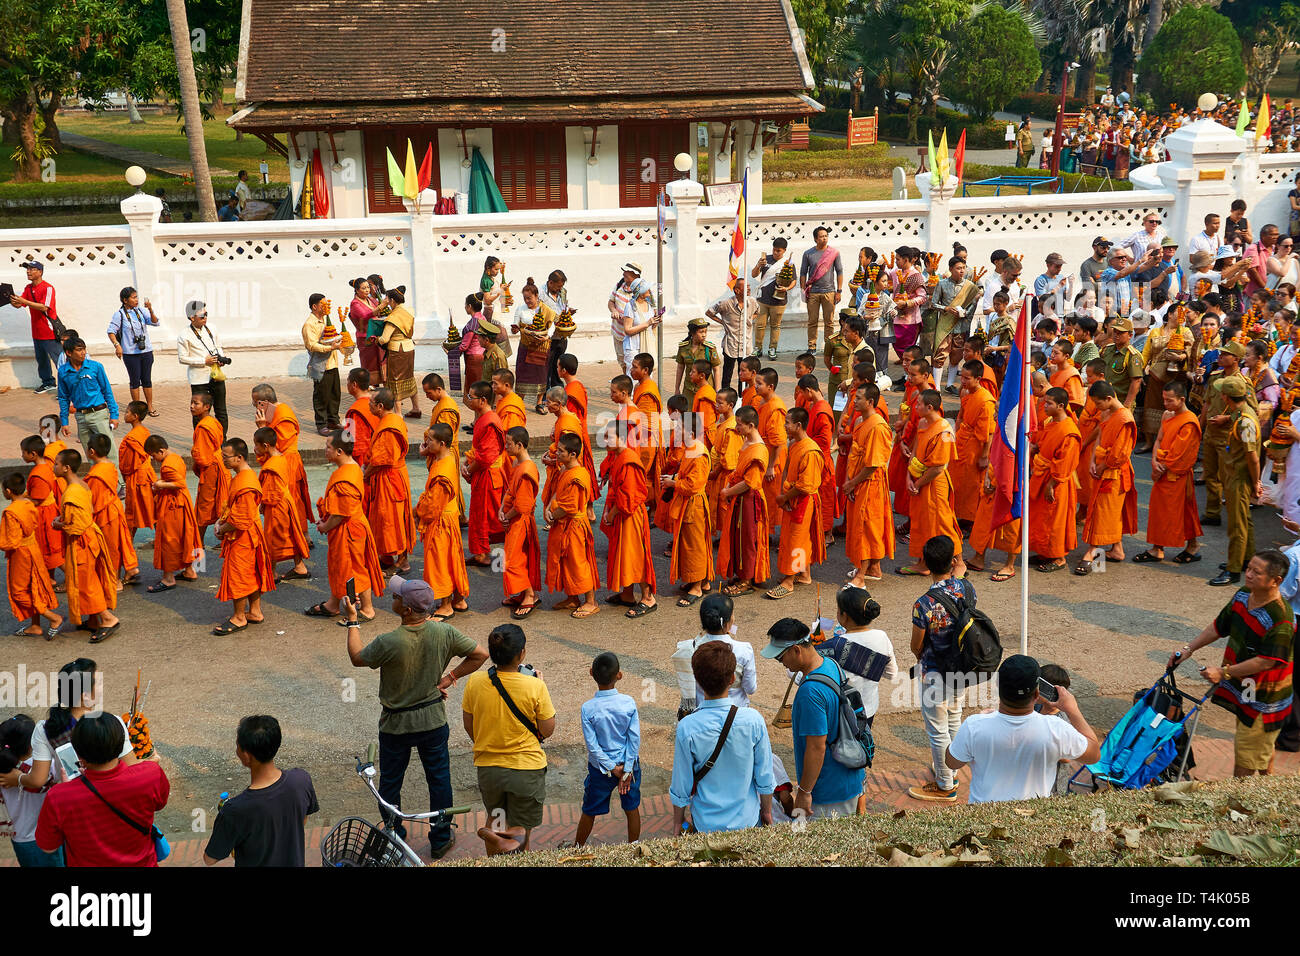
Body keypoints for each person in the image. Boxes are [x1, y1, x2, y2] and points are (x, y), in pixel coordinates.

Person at [346, 575, 486, 857]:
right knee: (439, 779)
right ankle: (440, 838)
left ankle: (395, 835)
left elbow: (357, 657)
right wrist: (450, 677)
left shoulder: (389, 641)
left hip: (395, 726)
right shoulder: (443, 632)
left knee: (390, 784)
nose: (393, 598)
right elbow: (480, 654)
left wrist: (352, 621)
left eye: (397, 598)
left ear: (407, 610)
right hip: (433, 720)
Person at [1172, 549, 1295, 775]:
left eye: (1256, 572)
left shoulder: (1281, 618)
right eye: (1248, 568)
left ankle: (1242, 805)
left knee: (1246, 756)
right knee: (1260, 748)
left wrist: (1223, 672)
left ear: (1276, 581)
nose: (1247, 574)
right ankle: (1268, 787)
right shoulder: (1242, 595)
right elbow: (1218, 626)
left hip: (1265, 699)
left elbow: (1265, 662)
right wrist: (1188, 649)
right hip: (1247, 689)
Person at [945, 655, 1099, 804]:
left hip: (984, 817)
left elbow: (951, 762)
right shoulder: (1055, 728)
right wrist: (1073, 709)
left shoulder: (974, 725)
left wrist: (975, 728)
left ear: (998, 685)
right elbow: (1094, 755)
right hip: (1031, 818)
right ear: (1037, 693)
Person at [462, 624, 555, 854]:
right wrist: (540, 684)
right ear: (521, 654)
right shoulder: (535, 685)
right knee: (520, 830)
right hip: (526, 771)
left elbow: (469, 726)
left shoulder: (474, 681)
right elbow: (548, 729)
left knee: (497, 822)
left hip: (489, 769)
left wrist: (489, 742)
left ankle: (495, 858)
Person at [34, 713, 169, 867]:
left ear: (78, 754)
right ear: (121, 744)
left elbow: (48, 847)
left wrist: (67, 790)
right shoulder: (151, 774)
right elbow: (159, 803)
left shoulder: (58, 797)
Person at [761, 617, 864, 819]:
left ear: (796, 650)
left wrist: (805, 792)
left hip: (827, 791)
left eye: (780, 657)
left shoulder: (810, 692)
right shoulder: (830, 664)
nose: (780, 663)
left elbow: (817, 746)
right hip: (848, 777)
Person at [670, 641, 774, 833]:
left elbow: (681, 785)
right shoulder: (753, 720)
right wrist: (766, 812)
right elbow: (765, 777)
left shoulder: (687, 727)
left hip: (705, 823)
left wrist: (679, 822)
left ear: (697, 680)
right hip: (748, 820)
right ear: (732, 679)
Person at [905, 534, 977, 803]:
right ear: (954, 561)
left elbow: (916, 645)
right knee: (954, 716)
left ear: (925, 563)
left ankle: (945, 784)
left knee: (937, 728)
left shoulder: (923, 604)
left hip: (935, 672)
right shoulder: (967, 589)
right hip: (963, 667)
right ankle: (952, 769)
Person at [202, 715, 319, 867]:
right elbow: (302, 820)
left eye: (237, 745)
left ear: (246, 755)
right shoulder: (301, 780)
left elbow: (209, 859)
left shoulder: (234, 810)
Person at [306, 430, 384, 620]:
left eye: (328, 447)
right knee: (340, 566)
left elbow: (342, 513)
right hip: (346, 527)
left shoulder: (347, 475)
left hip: (349, 529)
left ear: (339, 451)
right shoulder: (351, 468)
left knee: (355, 568)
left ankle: (367, 609)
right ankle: (333, 604)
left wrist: (325, 526)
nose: (325, 450)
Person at [52, 449, 120, 642]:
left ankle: (108, 618)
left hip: (81, 542)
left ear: (66, 468)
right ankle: (93, 620)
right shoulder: (81, 484)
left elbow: (75, 526)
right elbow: (86, 512)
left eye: (56, 463)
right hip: (91, 536)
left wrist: (57, 524)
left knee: (86, 582)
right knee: (91, 578)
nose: (53, 466)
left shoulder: (71, 492)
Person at [574, 652, 641, 846]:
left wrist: (613, 768)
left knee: (589, 810)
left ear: (590, 673)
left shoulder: (588, 708)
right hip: (628, 766)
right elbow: (634, 738)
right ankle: (633, 847)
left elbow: (592, 747)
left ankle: (577, 847)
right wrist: (627, 770)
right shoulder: (628, 702)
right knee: (631, 807)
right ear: (619, 675)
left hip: (601, 770)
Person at [899, 390, 966, 577]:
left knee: (942, 522)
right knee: (921, 522)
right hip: (918, 479)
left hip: (935, 483)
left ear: (930, 407)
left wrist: (918, 483)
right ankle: (923, 563)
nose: (915, 406)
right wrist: (908, 477)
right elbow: (915, 451)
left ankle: (959, 562)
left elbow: (937, 467)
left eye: (919, 403)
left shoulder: (944, 431)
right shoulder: (922, 423)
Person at [212, 438, 276, 635]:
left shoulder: (246, 482)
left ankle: (239, 617)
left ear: (239, 458)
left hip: (244, 536)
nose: (223, 460)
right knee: (252, 572)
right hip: (248, 532)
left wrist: (222, 529)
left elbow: (241, 519)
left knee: (239, 575)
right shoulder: (242, 476)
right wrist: (221, 521)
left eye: (226, 457)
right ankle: (255, 611)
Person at [1135, 381, 1203, 564]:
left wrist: (1160, 468)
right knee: (1159, 511)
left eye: (1170, 401)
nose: (1166, 404)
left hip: (1176, 474)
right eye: (1164, 400)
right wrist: (1154, 460)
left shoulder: (1189, 422)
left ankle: (1193, 545)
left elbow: (1179, 453)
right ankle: (1157, 548)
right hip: (1162, 469)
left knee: (1183, 512)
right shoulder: (1167, 414)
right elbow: (1159, 439)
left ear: (1182, 399)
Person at [1076, 381, 1138, 572]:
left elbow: (1120, 454)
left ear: (1109, 398)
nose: (1096, 407)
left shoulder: (1125, 419)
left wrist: (1102, 466)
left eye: (1098, 403)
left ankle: (1092, 551)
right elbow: (1100, 439)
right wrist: (1093, 461)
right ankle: (1117, 549)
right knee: (1108, 511)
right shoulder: (1106, 413)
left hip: (1114, 472)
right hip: (1102, 467)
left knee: (1101, 511)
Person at [600, 420, 657, 618]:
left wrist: (612, 513)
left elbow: (629, 496)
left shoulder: (629, 460)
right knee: (624, 554)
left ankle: (648, 598)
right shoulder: (619, 456)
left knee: (636, 556)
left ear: (622, 438)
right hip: (622, 512)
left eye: (609, 437)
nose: (605, 440)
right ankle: (626, 594)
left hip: (630, 514)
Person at [415, 423, 470, 624]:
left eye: (430, 440)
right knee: (451, 558)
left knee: (440, 563)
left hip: (441, 522)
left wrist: (417, 512)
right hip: (449, 517)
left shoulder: (443, 474)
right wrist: (427, 451)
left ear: (442, 443)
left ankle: (446, 606)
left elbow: (432, 507)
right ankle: (458, 599)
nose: (426, 442)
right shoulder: (447, 456)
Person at [1209, 377, 1260, 587]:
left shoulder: (1245, 421)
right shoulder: (1240, 413)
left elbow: (1253, 458)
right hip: (1234, 474)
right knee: (1244, 521)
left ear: (1226, 397)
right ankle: (1246, 559)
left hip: (1239, 477)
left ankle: (1234, 569)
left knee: (1236, 526)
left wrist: (1256, 483)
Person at [0, 473, 61, 639]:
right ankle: (35, 626)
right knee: (33, 586)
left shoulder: (11, 512)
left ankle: (53, 617)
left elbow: (11, 541)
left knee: (19, 592)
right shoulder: (28, 504)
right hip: (33, 548)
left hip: (20, 553)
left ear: (8, 491)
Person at [844, 384, 894, 585]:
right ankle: (873, 568)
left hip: (869, 483)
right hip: (857, 480)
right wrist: (850, 481)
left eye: (858, 399)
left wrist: (852, 484)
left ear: (870, 402)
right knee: (863, 526)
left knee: (866, 527)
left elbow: (873, 465)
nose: (854, 402)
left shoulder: (878, 427)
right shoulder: (860, 421)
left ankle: (861, 576)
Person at [718, 406, 771, 596]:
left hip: (749, 501)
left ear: (751, 425)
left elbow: (750, 483)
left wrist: (727, 491)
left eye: (739, 425)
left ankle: (747, 579)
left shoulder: (758, 451)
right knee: (737, 537)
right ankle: (742, 574)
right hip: (739, 498)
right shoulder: (747, 441)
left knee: (747, 539)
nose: (737, 428)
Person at [545, 432, 600, 618]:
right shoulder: (565, 469)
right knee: (566, 562)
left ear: (573, 455)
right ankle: (573, 598)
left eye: (561, 451)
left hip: (574, 525)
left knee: (578, 564)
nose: (557, 454)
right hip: (562, 523)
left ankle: (591, 602)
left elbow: (569, 507)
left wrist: (552, 515)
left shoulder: (578, 476)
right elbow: (556, 492)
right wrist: (548, 508)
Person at [1028, 387, 1082, 573]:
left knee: (1055, 520)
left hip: (1057, 482)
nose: (1045, 407)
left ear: (1060, 406)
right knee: (1042, 518)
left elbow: (1065, 462)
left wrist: (1051, 484)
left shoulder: (1069, 432)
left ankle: (1059, 558)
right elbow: (1045, 444)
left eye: (1049, 403)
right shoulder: (1052, 423)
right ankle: (1045, 552)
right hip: (1042, 476)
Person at [665, 412, 714, 606]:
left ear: (691, 432)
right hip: (688, 502)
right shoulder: (690, 448)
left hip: (694, 503)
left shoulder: (699, 452)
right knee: (689, 543)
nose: (676, 431)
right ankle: (701, 581)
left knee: (695, 546)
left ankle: (697, 587)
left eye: (680, 429)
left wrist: (673, 484)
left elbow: (693, 485)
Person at [0, 714, 62, 866]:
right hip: (49, 836)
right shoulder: (48, 767)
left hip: (21, 839)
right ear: (33, 743)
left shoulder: (3, 768)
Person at [365, 388, 415, 573]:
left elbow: (382, 460)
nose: (368, 405)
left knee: (393, 520)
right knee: (383, 519)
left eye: (371, 403)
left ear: (379, 406)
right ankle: (386, 555)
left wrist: (365, 474)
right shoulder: (390, 420)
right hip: (387, 478)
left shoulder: (389, 427)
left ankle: (403, 561)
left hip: (390, 479)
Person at [252, 427, 311, 583]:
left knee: (273, 537)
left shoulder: (272, 467)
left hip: (277, 506)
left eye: (256, 445)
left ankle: (271, 572)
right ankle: (299, 567)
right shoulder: (280, 457)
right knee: (290, 534)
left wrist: (261, 504)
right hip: (285, 502)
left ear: (265, 446)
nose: (254, 448)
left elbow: (272, 493)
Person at [143, 435, 201, 592]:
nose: (153, 459)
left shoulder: (167, 465)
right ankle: (189, 570)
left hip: (172, 506)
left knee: (169, 540)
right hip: (182, 503)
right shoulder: (175, 457)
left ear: (161, 451)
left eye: (154, 455)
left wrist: (160, 484)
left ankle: (168, 578)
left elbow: (180, 484)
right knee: (184, 537)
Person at [462, 380, 507, 567]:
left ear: (482, 400)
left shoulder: (489, 422)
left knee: (484, 516)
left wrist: (468, 469)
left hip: (488, 475)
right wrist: (468, 461)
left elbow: (485, 458)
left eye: (470, 397)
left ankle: (484, 554)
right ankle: (482, 552)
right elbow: (478, 450)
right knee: (481, 515)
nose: (468, 400)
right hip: (484, 473)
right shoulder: (483, 418)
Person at [85, 434, 139, 588]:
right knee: (118, 544)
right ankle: (127, 571)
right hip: (114, 509)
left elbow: (94, 500)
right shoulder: (109, 466)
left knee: (109, 548)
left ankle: (114, 581)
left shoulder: (96, 474)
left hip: (105, 514)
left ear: (92, 452)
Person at [499, 426, 541, 618]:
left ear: (519, 445)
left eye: (508, 444)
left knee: (513, 560)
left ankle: (530, 596)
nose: (505, 447)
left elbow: (523, 506)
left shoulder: (527, 470)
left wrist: (506, 517)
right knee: (517, 558)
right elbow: (509, 490)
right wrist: (501, 509)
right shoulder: (517, 463)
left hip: (520, 521)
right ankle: (524, 593)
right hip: (512, 518)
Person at [107, 287, 161, 416]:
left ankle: (150, 406)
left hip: (146, 351)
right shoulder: (119, 314)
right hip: (130, 353)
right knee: (135, 380)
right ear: (125, 300)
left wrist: (150, 309)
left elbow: (155, 322)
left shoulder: (141, 311)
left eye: (136, 297)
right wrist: (117, 345)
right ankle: (137, 408)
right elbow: (111, 331)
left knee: (147, 379)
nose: (136, 300)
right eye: (133, 297)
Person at [177, 301, 229, 435]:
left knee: (221, 411)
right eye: (202, 316)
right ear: (191, 317)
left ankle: (222, 441)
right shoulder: (184, 334)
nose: (205, 318)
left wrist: (220, 358)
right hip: (199, 379)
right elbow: (182, 358)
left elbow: (218, 346)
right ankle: (200, 439)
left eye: (206, 314)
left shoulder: (211, 327)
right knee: (198, 412)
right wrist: (203, 361)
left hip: (215, 375)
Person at [57, 338, 118, 448]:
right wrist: (65, 422)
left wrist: (114, 414)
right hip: (80, 417)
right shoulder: (63, 371)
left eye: (84, 349)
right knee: (91, 454)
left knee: (109, 452)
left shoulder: (95, 367)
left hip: (99, 414)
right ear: (69, 353)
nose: (83, 352)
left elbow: (107, 391)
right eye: (79, 350)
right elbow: (63, 397)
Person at [11, 260, 60, 394]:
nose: (28, 271)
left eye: (32, 269)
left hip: (49, 331)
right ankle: (48, 383)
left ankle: (66, 388)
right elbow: (20, 304)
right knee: (42, 360)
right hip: (36, 331)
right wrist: (11, 300)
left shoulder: (48, 288)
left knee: (59, 361)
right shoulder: (28, 288)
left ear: (40, 272)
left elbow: (44, 307)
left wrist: (24, 301)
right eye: (27, 269)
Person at [190, 390, 230, 549]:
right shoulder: (213, 422)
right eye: (191, 403)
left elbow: (201, 457)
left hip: (211, 470)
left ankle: (197, 544)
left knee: (203, 508)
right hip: (218, 464)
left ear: (206, 407)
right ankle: (226, 536)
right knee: (221, 502)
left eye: (196, 403)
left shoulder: (203, 427)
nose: (192, 406)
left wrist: (196, 463)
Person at [302, 292, 343, 434]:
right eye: (322, 304)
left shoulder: (326, 320)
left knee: (334, 393)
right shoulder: (309, 324)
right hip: (320, 364)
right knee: (321, 396)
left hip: (332, 362)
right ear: (314, 306)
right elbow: (311, 345)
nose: (326, 307)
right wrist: (330, 347)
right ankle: (321, 424)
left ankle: (333, 420)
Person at [376, 288, 421, 419]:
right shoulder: (409, 311)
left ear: (393, 300)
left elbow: (384, 339)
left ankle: (398, 414)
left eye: (388, 300)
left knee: (396, 382)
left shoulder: (393, 317)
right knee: (409, 378)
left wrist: (376, 339)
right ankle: (416, 408)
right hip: (409, 348)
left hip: (397, 351)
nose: (388, 303)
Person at [752, 236, 797, 358]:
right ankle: (758, 348)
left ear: (784, 250)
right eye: (774, 250)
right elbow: (753, 274)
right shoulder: (764, 259)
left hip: (779, 300)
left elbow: (794, 280)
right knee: (759, 325)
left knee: (775, 326)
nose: (776, 253)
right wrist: (758, 265)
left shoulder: (788, 263)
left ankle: (773, 349)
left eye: (779, 250)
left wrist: (787, 288)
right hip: (763, 299)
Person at [800, 226, 843, 351]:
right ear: (815, 239)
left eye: (826, 236)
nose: (824, 238)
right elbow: (803, 272)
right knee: (812, 322)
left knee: (829, 322)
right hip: (813, 293)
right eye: (821, 236)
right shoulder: (808, 254)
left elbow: (839, 271)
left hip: (829, 292)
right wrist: (803, 290)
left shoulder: (834, 253)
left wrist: (839, 291)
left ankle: (829, 347)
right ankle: (811, 347)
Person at [607, 262, 655, 374]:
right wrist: (614, 310)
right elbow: (611, 302)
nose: (623, 275)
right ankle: (626, 382)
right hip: (619, 332)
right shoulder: (619, 286)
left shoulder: (643, 291)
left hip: (637, 337)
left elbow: (651, 310)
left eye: (626, 273)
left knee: (635, 365)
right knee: (623, 362)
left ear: (635, 275)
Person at [118, 401, 156, 541]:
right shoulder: (145, 432)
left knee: (131, 513)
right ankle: (161, 538)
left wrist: (124, 475)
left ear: (135, 416)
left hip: (136, 477)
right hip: (148, 474)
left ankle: (127, 544)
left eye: (127, 412)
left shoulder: (130, 438)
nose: (125, 414)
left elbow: (127, 465)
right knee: (154, 508)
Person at [705, 279, 752, 387]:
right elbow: (709, 312)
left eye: (749, 286)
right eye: (746, 286)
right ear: (737, 290)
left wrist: (748, 320)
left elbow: (756, 313)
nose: (749, 288)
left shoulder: (752, 302)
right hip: (731, 345)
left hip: (745, 345)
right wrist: (722, 322)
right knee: (727, 375)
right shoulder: (725, 304)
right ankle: (725, 397)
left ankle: (742, 398)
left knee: (744, 376)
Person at [674, 318, 722, 403]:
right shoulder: (683, 348)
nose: (704, 335)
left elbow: (716, 369)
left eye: (705, 332)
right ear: (692, 333)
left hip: (706, 389)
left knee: (703, 415)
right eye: (701, 332)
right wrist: (677, 388)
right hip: (689, 389)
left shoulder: (710, 348)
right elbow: (680, 368)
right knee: (688, 415)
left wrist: (717, 390)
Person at [348, 277, 384, 386]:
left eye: (368, 287)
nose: (367, 290)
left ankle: (381, 390)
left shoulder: (371, 299)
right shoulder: (355, 304)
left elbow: (379, 311)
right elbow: (365, 315)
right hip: (365, 338)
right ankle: (371, 389)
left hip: (376, 336)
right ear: (357, 290)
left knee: (380, 363)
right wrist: (381, 307)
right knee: (370, 364)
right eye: (364, 288)